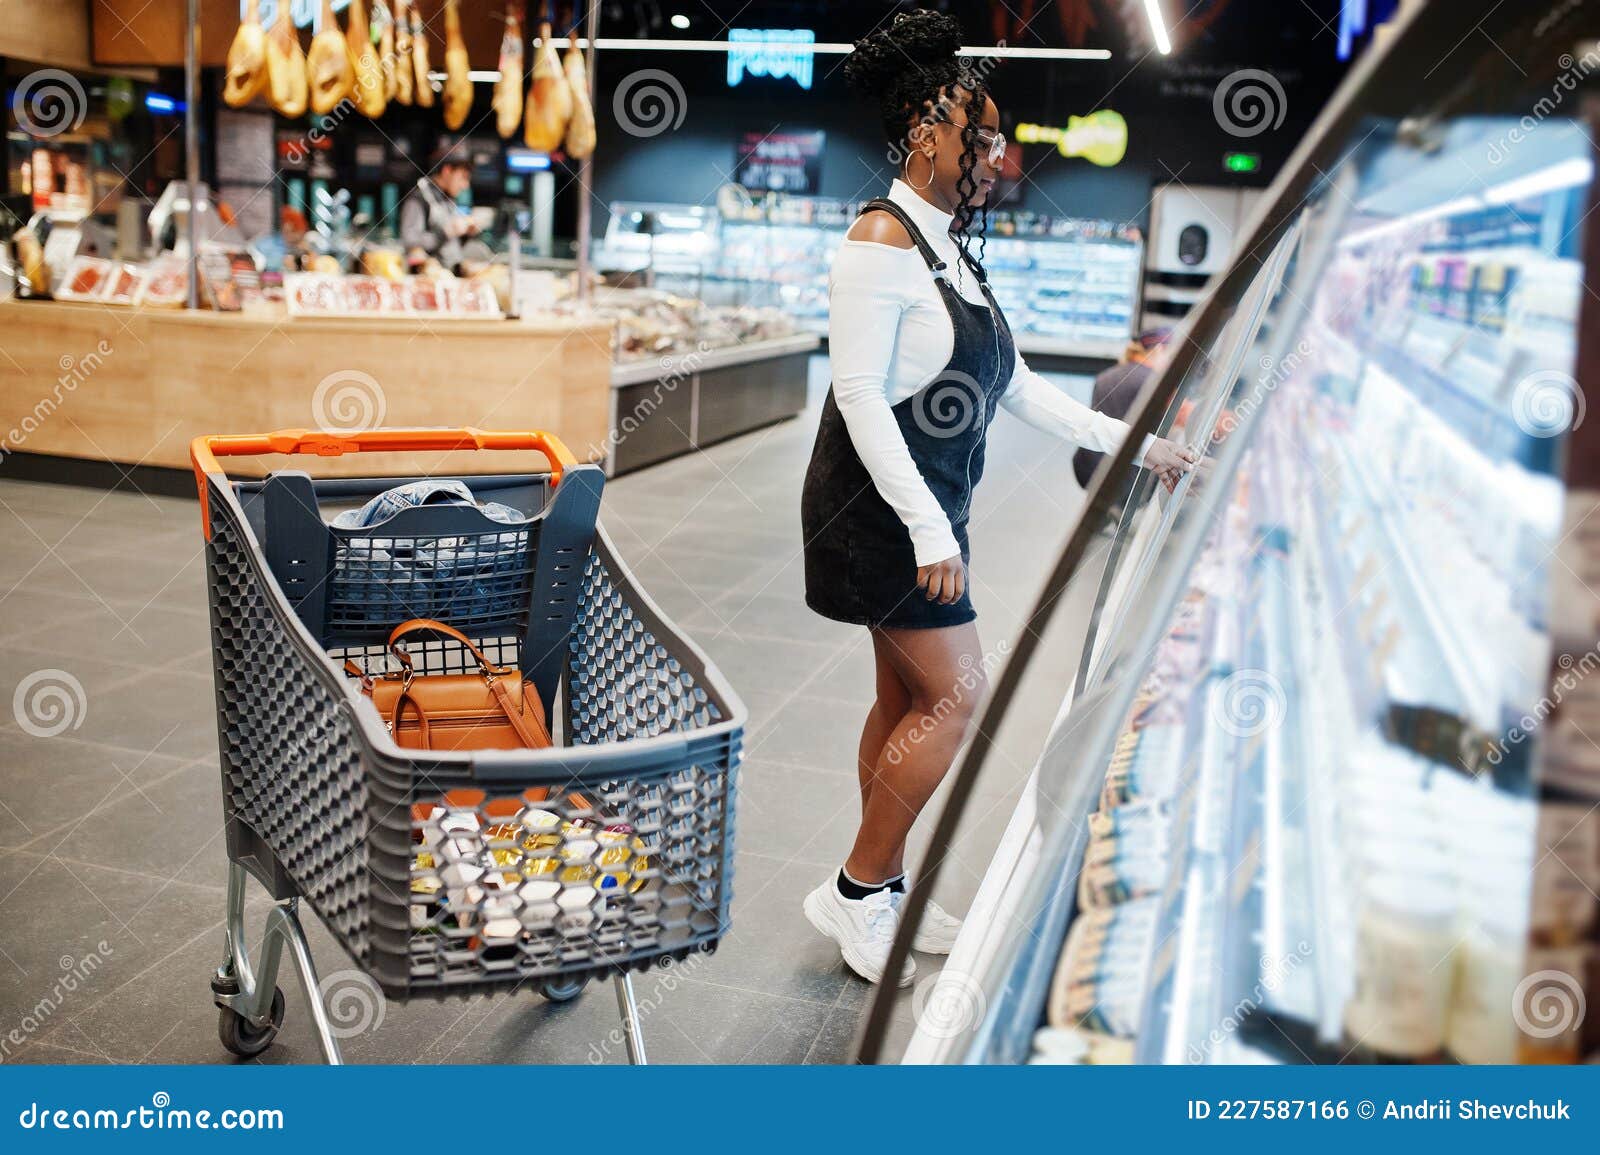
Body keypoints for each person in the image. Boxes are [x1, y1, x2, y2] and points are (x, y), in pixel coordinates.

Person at [798, 11, 1196, 987]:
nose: (996, 154)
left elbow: (1014, 386)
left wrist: (1138, 447)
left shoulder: (947, 252)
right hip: (878, 513)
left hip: (927, 502)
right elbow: (855, 395)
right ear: (930, 132)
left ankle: (880, 887)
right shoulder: (880, 239)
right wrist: (929, 527)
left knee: (904, 696)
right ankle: (853, 892)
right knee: (958, 694)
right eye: (982, 136)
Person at [1072, 327, 1174, 490]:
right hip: (1122, 476)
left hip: (1088, 466)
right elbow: (1185, 414)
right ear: (1159, 350)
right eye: (1170, 356)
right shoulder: (1151, 380)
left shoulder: (1108, 375)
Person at [400, 143, 480, 272]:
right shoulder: (419, 198)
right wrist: (445, 232)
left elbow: (449, 248)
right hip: (429, 282)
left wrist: (466, 234)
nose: (466, 185)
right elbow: (410, 242)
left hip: (451, 278)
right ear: (447, 171)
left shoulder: (448, 199)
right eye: (463, 177)